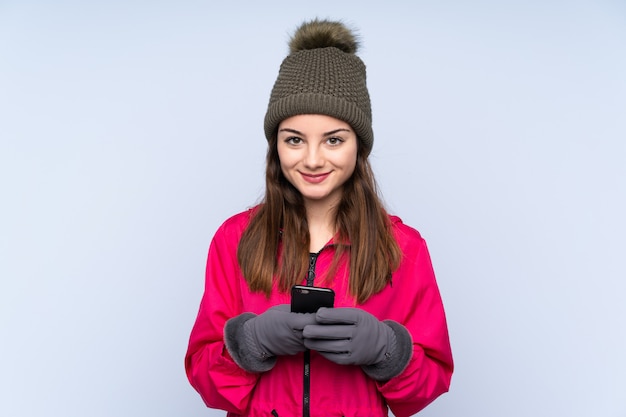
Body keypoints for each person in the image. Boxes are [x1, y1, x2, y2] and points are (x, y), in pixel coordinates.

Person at [185, 18, 453, 417]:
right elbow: (205, 380)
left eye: (334, 139)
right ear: (275, 144)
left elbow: (429, 383)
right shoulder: (234, 238)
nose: (312, 159)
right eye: (294, 139)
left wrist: (388, 350)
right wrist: (251, 341)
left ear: (358, 145)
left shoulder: (404, 247)